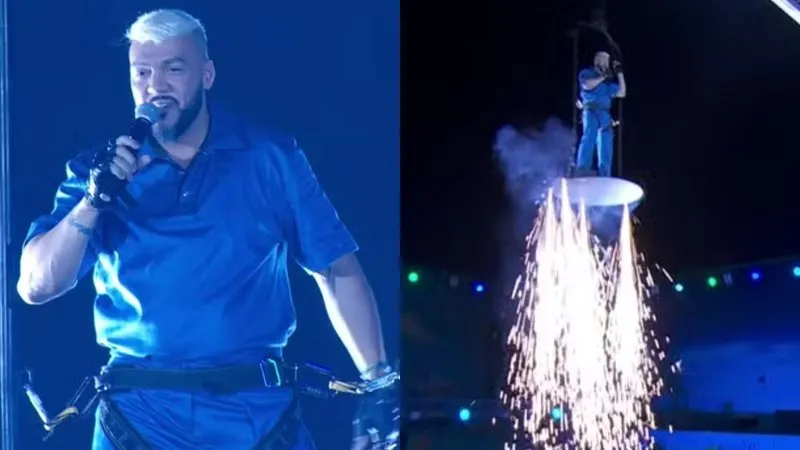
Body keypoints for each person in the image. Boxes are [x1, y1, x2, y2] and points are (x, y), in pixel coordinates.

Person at [16, 9, 397, 450]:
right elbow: (36, 285)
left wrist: (378, 382)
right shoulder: (96, 171)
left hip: (257, 417)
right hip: (139, 419)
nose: (155, 86)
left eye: (173, 69)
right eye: (142, 72)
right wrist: (94, 200)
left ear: (207, 74)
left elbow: (335, 269)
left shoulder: (270, 158)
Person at [574, 51, 626, 178]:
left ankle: (605, 175)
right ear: (596, 60)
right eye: (603, 60)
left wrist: (620, 74)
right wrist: (602, 77)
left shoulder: (608, 83)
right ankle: (582, 169)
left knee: (605, 144)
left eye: (607, 61)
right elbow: (586, 85)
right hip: (591, 110)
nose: (605, 63)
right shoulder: (587, 73)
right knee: (589, 137)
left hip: (605, 113)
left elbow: (622, 92)